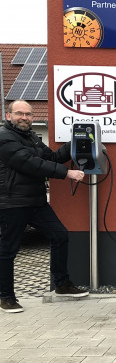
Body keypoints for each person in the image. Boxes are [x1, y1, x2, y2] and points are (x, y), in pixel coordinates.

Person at [0, 100, 89, 314]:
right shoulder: (4, 137)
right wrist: (66, 173)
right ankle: (6, 297)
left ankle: (62, 284)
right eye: (20, 113)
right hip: (12, 202)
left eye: (29, 114)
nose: (25, 117)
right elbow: (28, 162)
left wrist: (76, 139)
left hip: (36, 201)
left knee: (60, 235)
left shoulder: (31, 137)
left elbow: (51, 158)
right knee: (8, 250)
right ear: (9, 115)